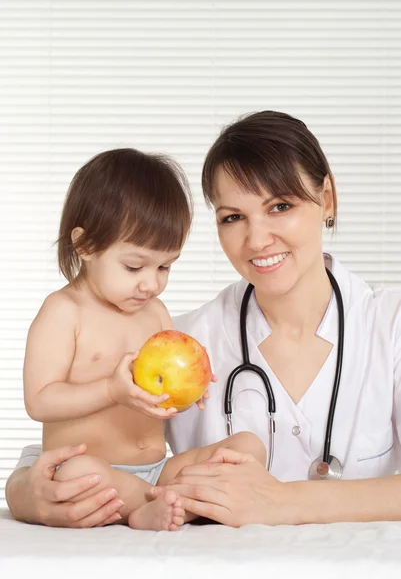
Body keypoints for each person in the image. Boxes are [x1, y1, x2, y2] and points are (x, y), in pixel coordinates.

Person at [6, 111, 401, 528]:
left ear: (327, 198)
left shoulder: (389, 324)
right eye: (232, 217)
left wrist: (284, 501)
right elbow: (91, 439)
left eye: (280, 206)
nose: (257, 239)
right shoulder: (176, 344)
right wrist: (25, 493)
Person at [6, 146, 266, 530]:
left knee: (248, 446)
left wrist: (186, 391)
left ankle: (165, 499)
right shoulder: (65, 311)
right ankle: (153, 508)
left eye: (165, 266)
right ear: (85, 245)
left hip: (156, 469)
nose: (151, 283)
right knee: (77, 473)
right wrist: (111, 390)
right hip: (92, 469)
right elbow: (39, 401)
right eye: (134, 266)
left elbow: (157, 392)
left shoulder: (155, 312)